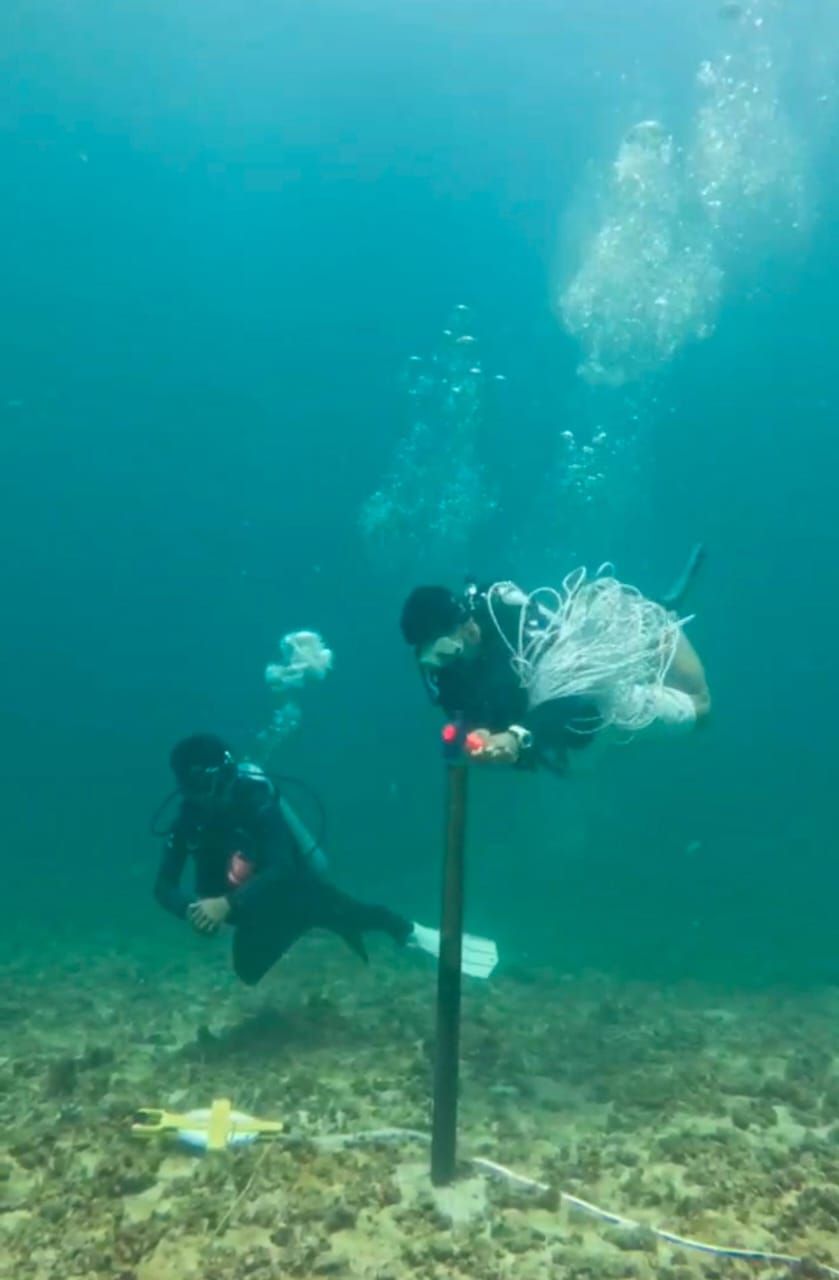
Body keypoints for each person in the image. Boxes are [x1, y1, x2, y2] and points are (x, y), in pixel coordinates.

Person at [154, 733, 497, 984]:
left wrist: (226, 903)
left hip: (298, 892)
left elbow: (283, 867)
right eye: (185, 782)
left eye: (199, 781)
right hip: (250, 908)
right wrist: (190, 911)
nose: (192, 792)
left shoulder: (256, 801)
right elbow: (163, 885)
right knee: (248, 971)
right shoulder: (190, 817)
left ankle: (409, 931)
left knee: (350, 913)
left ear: (219, 776)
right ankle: (309, 935)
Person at [399, 558, 710, 773]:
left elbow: (572, 692)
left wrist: (514, 738)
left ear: (464, 622)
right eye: (431, 657)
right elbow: (458, 719)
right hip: (559, 750)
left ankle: (658, 620)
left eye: (443, 649)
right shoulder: (440, 671)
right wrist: (474, 738)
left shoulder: (508, 620)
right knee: (586, 760)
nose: (443, 663)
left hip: (598, 709)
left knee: (700, 709)